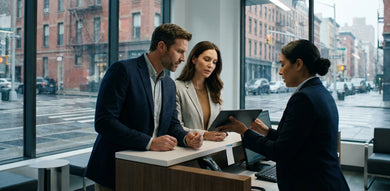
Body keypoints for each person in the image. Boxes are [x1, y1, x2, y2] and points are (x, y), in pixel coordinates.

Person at [218, 39, 350, 191]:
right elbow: (298, 141)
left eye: (282, 64)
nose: (280, 71)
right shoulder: (320, 92)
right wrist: (266, 132)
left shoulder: (303, 98)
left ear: (298, 64)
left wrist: (244, 132)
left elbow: (280, 152)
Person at [85, 23, 203, 191]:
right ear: (161, 46)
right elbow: (104, 122)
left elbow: (171, 124)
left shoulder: (169, 84)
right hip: (115, 171)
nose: (183, 58)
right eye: (180, 51)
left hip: (148, 171)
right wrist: (149, 142)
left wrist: (186, 138)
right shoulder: (123, 70)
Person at [175, 41, 227, 141]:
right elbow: (177, 128)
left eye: (214, 62)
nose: (210, 65)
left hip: (213, 149)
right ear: (194, 59)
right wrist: (205, 135)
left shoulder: (216, 89)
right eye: (207, 60)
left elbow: (221, 123)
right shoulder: (177, 87)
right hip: (189, 150)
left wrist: (224, 132)